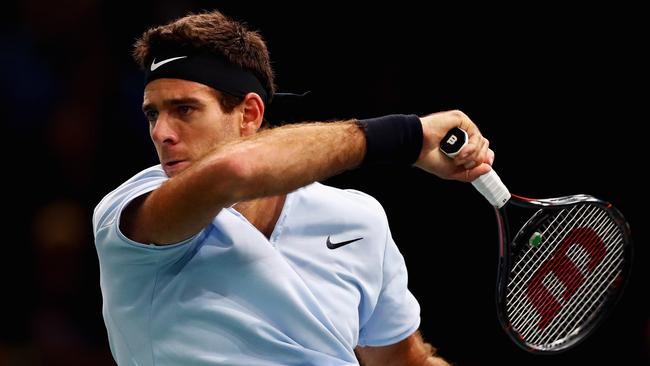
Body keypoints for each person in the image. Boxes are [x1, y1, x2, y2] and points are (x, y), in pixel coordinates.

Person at [92, 9, 493, 366]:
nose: (161, 132)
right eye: (152, 114)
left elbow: (400, 360)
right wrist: (406, 135)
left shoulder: (358, 218)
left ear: (249, 113)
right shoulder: (128, 213)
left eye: (184, 110)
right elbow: (234, 170)